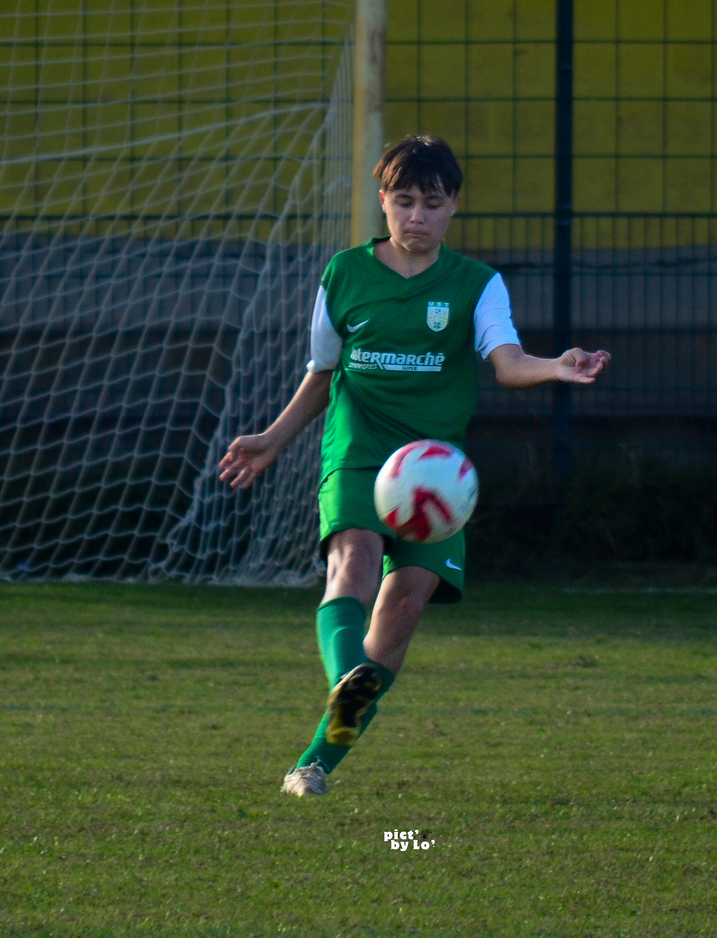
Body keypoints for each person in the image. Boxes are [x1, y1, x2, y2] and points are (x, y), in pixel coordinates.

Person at [218, 135, 611, 797]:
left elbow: (508, 362)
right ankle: (346, 679)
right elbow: (323, 372)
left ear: (454, 205)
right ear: (383, 201)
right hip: (359, 452)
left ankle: (314, 764)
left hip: (435, 474)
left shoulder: (476, 285)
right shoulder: (344, 274)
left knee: (401, 611)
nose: (417, 216)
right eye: (403, 201)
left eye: (432, 203)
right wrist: (274, 439)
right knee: (355, 562)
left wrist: (555, 366)